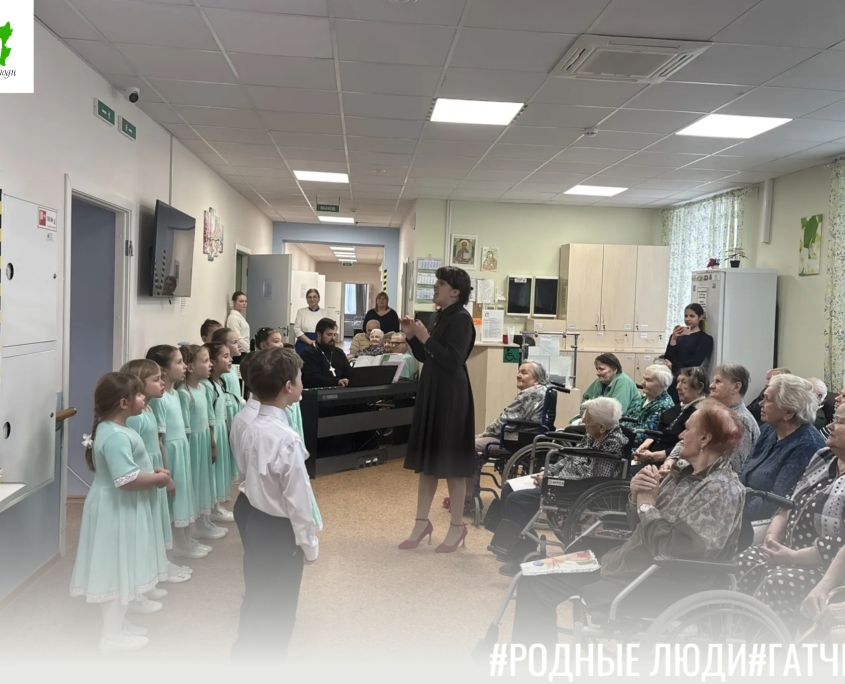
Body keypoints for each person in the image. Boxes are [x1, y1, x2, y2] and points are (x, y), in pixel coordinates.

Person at [509, 400, 746, 650]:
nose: (681, 435)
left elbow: (678, 547)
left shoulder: (721, 489)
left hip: (652, 580)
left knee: (535, 584)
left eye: (687, 429)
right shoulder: (681, 474)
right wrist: (636, 497)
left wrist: (647, 507)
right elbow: (638, 525)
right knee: (531, 574)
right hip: (626, 563)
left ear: (705, 438)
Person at [70, 372, 172, 653]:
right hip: (116, 509)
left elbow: (129, 469)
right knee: (117, 569)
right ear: (124, 403)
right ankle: (111, 635)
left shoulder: (113, 429)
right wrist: (157, 479)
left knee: (117, 566)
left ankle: (116, 626)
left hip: (115, 506)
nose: (144, 398)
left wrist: (151, 471)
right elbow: (126, 479)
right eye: (139, 394)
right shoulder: (115, 436)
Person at [231, 348, 318, 661]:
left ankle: (245, 655)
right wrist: (309, 544)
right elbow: (298, 500)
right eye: (300, 377)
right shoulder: (286, 439)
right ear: (288, 386)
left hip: (255, 517)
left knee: (257, 592)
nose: (302, 382)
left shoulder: (250, 423)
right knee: (280, 607)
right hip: (279, 531)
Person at [738, 403, 845, 629]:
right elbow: (789, 500)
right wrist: (772, 537)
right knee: (743, 561)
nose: (831, 426)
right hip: (787, 549)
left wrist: (792, 556)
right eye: (833, 419)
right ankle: (732, 630)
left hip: (827, 568)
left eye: (840, 422)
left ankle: (767, 643)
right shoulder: (824, 457)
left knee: (778, 582)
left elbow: (838, 544)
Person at [494, 397, 627, 576]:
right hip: (562, 482)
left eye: (587, 421)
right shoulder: (595, 433)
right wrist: (548, 472)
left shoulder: (613, 444)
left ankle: (520, 553)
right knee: (509, 488)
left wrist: (553, 481)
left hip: (575, 490)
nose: (584, 422)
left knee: (516, 499)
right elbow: (570, 458)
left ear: (602, 427)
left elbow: (593, 479)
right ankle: (517, 548)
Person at [399, 266, 475, 553]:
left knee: (452, 464)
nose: (435, 287)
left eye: (440, 283)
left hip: (452, 396)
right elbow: (427, 355)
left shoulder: (462, 319)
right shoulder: (440, 315)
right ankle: (421, 523)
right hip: (433, 391)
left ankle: (457, 526)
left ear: (455, 292)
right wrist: (412, 336)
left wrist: (426, 337)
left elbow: (453, 360)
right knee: (428, 462)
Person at [123, 359, 192, 584]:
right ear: (138, 384)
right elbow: (133, 454)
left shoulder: (149, 408)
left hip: (155, 473)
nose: (162, 383)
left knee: (158, 521)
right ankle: (151, 571)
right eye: (156, 379)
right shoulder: (135, 417)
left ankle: (161, 564)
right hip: (145, 476)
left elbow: (157, 443)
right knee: (147, 524)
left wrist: (166, 474)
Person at [740, 374, 825, 521]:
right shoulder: (769, 428)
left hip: (763, 522)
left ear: (789, 413)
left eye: (767, 399)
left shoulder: (807, 446)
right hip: (742, 505)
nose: (760, 404)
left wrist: (734, 504)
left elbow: (775, 504)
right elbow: (745, 469)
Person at [147, 345, 202, 560]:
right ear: (163, 370)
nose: (184, 366)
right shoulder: (159, 399)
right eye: (179, 362)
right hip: (170, 455)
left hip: (181, 451)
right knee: (173, 499)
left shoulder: (176, 394)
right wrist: (167, 472)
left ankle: (185, 539)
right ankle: (176, 545)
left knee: (183, 496)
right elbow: (159, 439)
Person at [663, 364, 760, 475]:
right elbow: (686, 438)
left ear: (736, 387)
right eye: (713, 381)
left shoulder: (741, 421)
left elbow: (733, 467)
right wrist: (671, 460)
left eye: (718, 381)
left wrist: (682, 468)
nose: (711, 386)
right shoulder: (711, 411)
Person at [177, 345, 225, 542]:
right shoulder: (183, 393)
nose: (210, 364)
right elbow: (185, 427)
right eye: (205, 361)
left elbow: (210, 418)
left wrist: (212, 443)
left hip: (204, 441)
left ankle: (205, 521)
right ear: (190, 367)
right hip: (193, 446)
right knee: (195, 484)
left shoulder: (204, 388)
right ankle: (194, 526)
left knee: (206, 481)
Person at [634, 366, 707, 466]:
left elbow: (688, 447)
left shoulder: (703, 414)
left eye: (684, 382)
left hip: (670, 464)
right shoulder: (675, 409)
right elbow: (657, 431)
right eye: (678, 382)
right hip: (651, 458)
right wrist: (644, 447)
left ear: (699, 387)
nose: (677, 387)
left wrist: (654, 456)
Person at [475, 362, 548, 454]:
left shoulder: (530, 393)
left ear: (537, 379)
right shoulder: (544, 391)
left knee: (469, 444)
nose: (518, 376)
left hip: (517, 440)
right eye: (519, 372)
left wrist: (484, 434)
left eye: (524, 373)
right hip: (531, 436)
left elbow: (506, 420)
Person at [204, 341, 238, 529]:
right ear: (212, 361)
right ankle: (211, 508)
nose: (230, 359)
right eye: (225, 356)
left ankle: (216, 506)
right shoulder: (207, 386)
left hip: (221, 430)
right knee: (213, 472)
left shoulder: (220, 382)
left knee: (220, 471)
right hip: (213, 433)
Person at [568, 353, 639, 424]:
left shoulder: (623, 381)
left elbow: (617, 411)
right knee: (572, 425)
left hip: (621, 424)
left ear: (615, 370)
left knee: (572, 429)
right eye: (597, 369)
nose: (597, 373)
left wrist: (591, 416)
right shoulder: (599, 381)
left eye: (601, 369)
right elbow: (586, 400)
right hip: (599, 421)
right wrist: (585, 413)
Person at [664, 303, 713, 403]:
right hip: (673, 379)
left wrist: (674, 366)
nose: (688, 319)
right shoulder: (678, 336)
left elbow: (696, 362)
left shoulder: (705, 339)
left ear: (700, 317)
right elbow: (668, 357)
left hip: (690, 380)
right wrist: (674, 339)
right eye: (686, 316)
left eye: (692, 316)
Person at [623, 364, 675, 449]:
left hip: (636, 447)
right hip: (624, 439)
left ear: (662, 385)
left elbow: (643, 436)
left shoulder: (663, 406)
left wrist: (618, 437)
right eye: (644, 378)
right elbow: (627, 418)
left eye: (648, 380)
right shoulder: (644, 398)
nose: (642, 383)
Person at [300, 318, 352, 389]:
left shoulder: (339, 352)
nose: (333, 338)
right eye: (329, 334)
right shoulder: (308, 353)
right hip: (317, 393)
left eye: (334, 335)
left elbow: (348, 372)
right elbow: (312, 379)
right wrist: (337, 382)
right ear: (319, 334)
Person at [294, 289, 325, 354]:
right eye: (309, 297)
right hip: (302, 343)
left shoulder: (325, 313)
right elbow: (296, 329)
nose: (312, 299)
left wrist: (318, 342)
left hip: (319, 344)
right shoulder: (301, 312)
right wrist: (310, 342)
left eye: (314, 297)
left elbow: (327, 330)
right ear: (307, 300)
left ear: (319, 299)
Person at [226, 292, 250, 362]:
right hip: (240, 352)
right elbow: (237, 337)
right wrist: (247, 348)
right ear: (234, 302)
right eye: (241, 301)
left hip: (244, 350)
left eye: (245, 301)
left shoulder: (240, 317)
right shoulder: (233, 317)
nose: (244, 304)